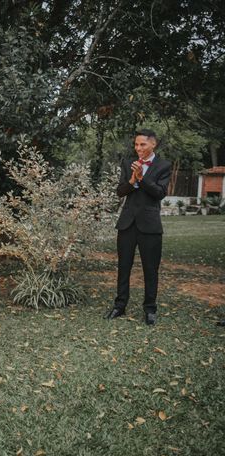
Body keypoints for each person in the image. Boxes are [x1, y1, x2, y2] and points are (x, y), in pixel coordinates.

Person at [106, 129, 171, 325]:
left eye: (142, 144)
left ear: (153, 144)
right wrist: (132, 180)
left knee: (150, 269)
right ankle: (120, 306)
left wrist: (142, 178)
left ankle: (150, 309)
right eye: (136, 144)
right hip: (127, 224)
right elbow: (120, 191)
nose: (138, 148)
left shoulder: (163, 165)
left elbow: (159, 193)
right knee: (123, 267)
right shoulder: (127, 164)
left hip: (150, 226)